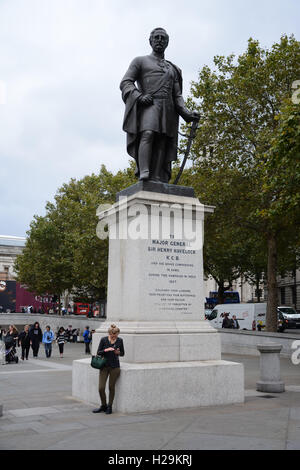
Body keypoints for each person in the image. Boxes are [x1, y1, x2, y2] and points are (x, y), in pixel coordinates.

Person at [120, 27, 199, 183]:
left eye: (163, 38)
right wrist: (138, 96)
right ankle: (144, 171)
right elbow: (126, 82)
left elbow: (177, 95)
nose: (159, 40)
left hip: (168, 108)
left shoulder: (173, 69)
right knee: (148, 133)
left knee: (163, 139)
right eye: (156, 37)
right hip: (150, 104)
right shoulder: (140, 61)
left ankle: (157, 176)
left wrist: (187, 114)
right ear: (150, 41)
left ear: (167, 42)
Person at [93, 324, 125, 415]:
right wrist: (106, 350)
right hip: (104, 366)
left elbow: (122, 353)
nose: (114, 337)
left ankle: (109, 406)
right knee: (101, 388)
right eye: (112, 335)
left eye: (115, 335)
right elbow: (98, 352)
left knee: (111, 387)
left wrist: (118, 352)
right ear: (109, 333)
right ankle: (103, 405)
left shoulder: (120, 340)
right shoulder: (103, 340)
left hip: (115, 367)